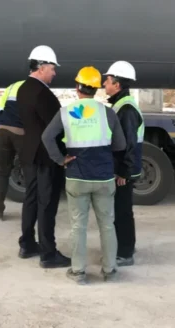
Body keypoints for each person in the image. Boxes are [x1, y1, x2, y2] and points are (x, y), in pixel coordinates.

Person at [41, 66, 134, 284]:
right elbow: (120, 144)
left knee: (78, 226)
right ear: (96, 90)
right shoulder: (108, 113)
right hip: (103, 178)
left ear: (77, 87)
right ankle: (110, 271)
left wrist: (60, 159)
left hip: (77, 177)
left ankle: (78, 272)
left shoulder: (66, 111)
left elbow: (47, 137)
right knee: (107, 224)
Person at [15, 45, 70, 268]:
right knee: (46, 204)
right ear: (40, 67)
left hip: (29, 153)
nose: (54, 73)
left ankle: (27, 243)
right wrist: (64, 154)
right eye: (52, 68)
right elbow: (55, 128)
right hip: (46, 157)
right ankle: (48, 254)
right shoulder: (43, 94)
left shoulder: (22, 89)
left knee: (31, 199)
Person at [103, 61, 144, 267]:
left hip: (124, 170)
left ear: (117, 85)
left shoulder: (126, 109)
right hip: (125, 167)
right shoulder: (122, 104)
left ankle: (125, 252)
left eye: (108, 80)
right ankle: (127, 245)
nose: (104, 84)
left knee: (122, 210)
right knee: (122, 208)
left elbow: (127, 144)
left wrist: (123, 173)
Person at [0, 80, 25, 221]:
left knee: (2, 172)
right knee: (30, 171)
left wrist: (3, 121)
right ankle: (33, 213)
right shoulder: (35, 87)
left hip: (4, 130)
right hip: (21, 133)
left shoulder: (12, 86)